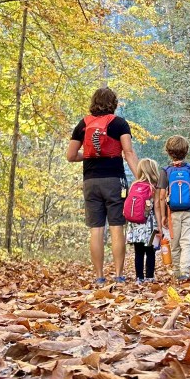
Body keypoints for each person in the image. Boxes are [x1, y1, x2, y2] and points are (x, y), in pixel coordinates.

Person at [66, 87, 139, 285]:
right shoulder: (119, 123)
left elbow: (70, 156)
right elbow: (128, 153)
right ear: (113, 103)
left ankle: (99, 276)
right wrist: (141, 177)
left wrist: (89, 155)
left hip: (90, 181)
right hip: (114, 180)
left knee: (96, 229)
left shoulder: (83, 124)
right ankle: (118, 275)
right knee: (116, 227)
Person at [156, 135, 190, 282]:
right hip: (189, 211)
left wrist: (163, 216)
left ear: (168, 152)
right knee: (187, 241)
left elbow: (162, 196)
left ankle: (177, 271)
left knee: (175, 242)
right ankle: (185, 271)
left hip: (172, 213)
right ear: (186, 151)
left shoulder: (166, 171)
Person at [125, 158, 161, 283]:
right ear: (153, 171)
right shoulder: (154, 187)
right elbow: (157, 207)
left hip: (135, 225)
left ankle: (139, 277)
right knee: (150, 251)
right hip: (149, 225)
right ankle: (149, 277)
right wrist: (160, 225)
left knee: (138, 252)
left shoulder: (134, 185)